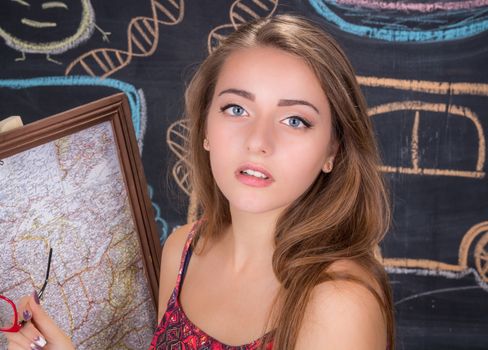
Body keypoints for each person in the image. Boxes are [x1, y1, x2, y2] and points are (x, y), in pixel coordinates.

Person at [6, 14, 395, 350]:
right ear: (205, 127)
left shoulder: (338, 303)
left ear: (333, 151)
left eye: (295, 120)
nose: (258, 141)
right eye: (236, 109)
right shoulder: (181, 253)